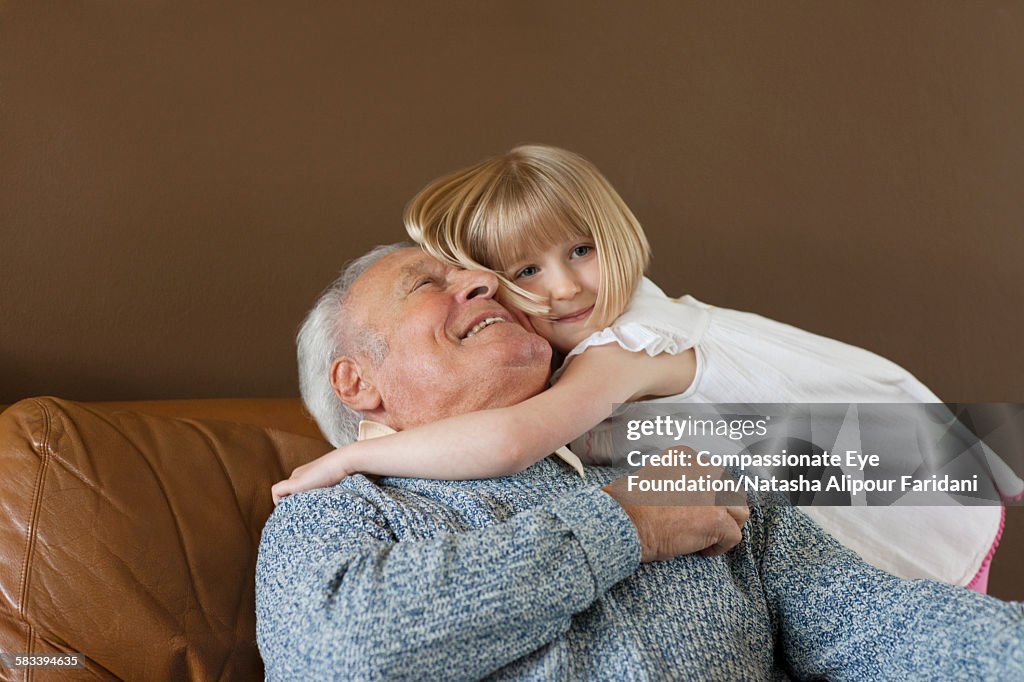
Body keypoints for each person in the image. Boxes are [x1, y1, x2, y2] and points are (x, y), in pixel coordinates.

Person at [256, 244, 1023, 679]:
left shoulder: (668, 466)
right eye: (430, 284)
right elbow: (344, 655)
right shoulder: (338, 510)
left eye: (477, 275)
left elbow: (881, 628)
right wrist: (626, 525)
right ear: (357, 381)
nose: (485, 281)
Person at [271, 145, 1019, 589]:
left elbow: (508, 442)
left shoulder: (623, 344)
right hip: (892, 472)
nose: (564, 287)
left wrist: (350, 460)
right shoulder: (594, 357)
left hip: (904, 478)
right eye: (524, 271)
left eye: (581, 251)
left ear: (616, 232)